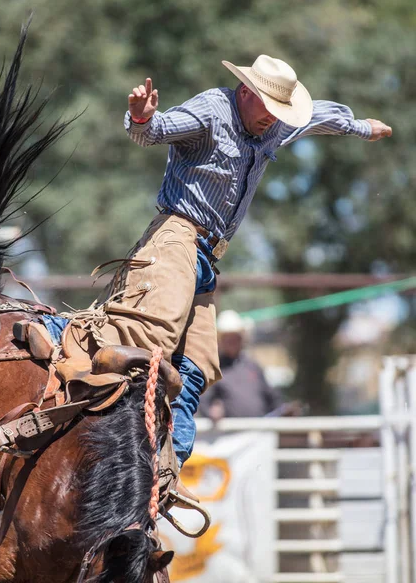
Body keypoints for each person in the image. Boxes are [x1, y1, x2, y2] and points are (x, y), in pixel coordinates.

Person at [94, 54, 392, 469]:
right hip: (175, 238)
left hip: (207, 259)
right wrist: (141, 119)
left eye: (280, 111)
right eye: (269, 107)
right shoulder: (212, 109)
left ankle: (167, 468)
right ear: (246, 92)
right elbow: (157, 131)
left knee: (196, 368)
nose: (274, 119)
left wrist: (362, 127)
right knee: (149, 346)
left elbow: (317, 117)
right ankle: (99, 439)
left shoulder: (274, 123)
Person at [198, 310, 284, 421]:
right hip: (229, 435)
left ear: (241, 338)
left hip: (261, 433)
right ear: (221, 340)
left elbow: (272, 397)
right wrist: (211, 411)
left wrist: (283, 410)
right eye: (227, 338)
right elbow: (204, 402)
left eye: (235, 337)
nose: (232, 341)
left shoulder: (253, 366)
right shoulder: (214, 370)